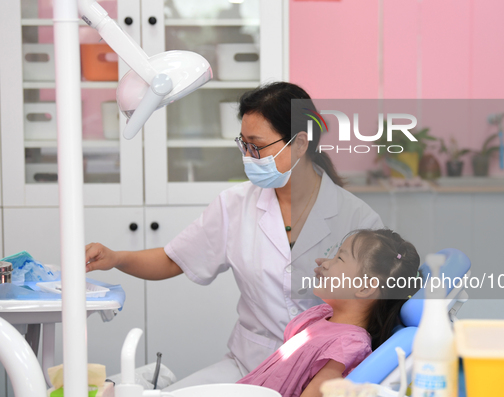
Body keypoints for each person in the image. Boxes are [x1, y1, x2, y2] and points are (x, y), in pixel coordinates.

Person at [84, 82, 383, 388]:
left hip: (323, 374)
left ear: (300, 144)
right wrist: (116, 258)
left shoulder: (358, 220)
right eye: (244, 145)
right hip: (249, 363)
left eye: (258, 146)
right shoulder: (235, 204)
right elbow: (173, 259)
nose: (249, 157)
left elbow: (373, 314)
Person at [237, 229, 421, 397]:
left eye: (339, 258)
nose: (322, 263)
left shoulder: (349, 344)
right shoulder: (323, 315)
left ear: (365, 287)